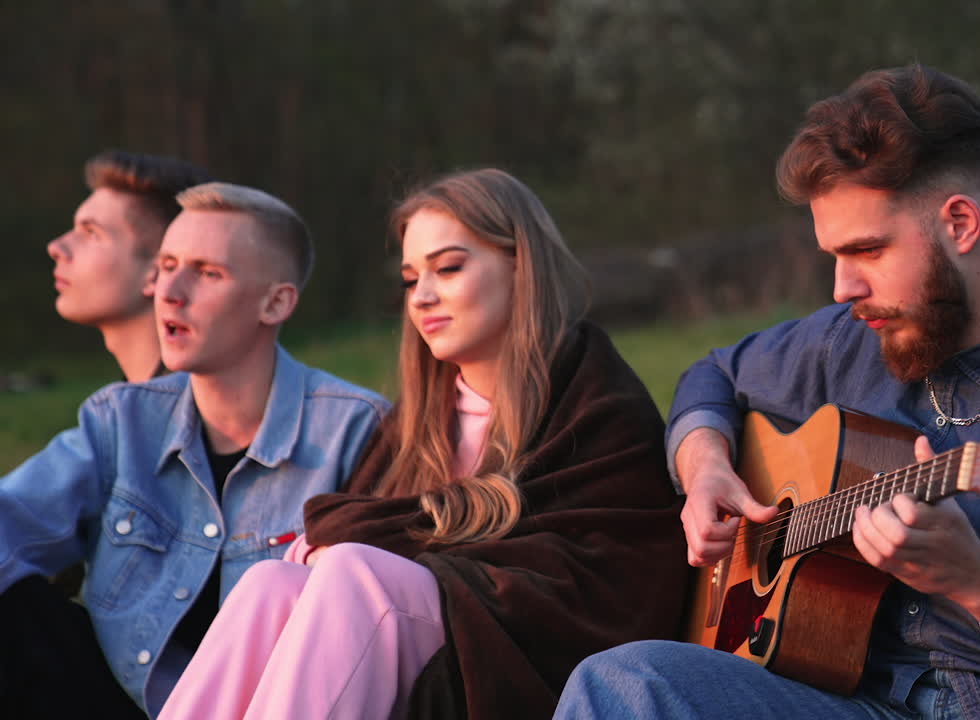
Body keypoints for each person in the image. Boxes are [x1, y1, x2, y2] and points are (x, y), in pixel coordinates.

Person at [554, 65, 980, 719]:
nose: (841, 289)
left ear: (960, 223)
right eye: (834, 257)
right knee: (620, 683)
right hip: (843, 691)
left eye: (867, 251)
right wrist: (705, 468)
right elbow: (715, 376)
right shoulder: (850, 339)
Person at [157, 168, 689, 720]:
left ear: (521, 265)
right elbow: (354, 530)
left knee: (356, 572)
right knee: (270, 582)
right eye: (411, 280)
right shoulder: (416, 422)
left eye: (449, 268)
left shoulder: (595, 400)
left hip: (523, 658)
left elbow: (605, 583)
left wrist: (370, 545)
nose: (424, 298)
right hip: (404, 644)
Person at [0, 182, 389, 719]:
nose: (170, 292)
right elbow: (12, 520)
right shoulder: (122, 419)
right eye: (167, 266)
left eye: (207, 273)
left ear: (276, 302)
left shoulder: (355, 429)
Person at [48, 149, 213, 382]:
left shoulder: (200, 403)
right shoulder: (133, 403)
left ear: (157, 273)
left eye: (91, 232)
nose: (56, 247)